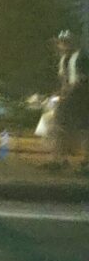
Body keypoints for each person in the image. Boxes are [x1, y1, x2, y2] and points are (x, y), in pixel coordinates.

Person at [48, 30, 89, 170]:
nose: (62, 45)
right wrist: (60, 92)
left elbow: (82, 80)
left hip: (81, 97)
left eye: (65, 42)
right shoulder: (65, 59)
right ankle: (60, 158)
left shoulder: (81, 57)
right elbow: (64, 80)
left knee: (82, 128)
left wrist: (68, 93)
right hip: (70, 97)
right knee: (59, 125)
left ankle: (83, 160)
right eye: (61, 42)